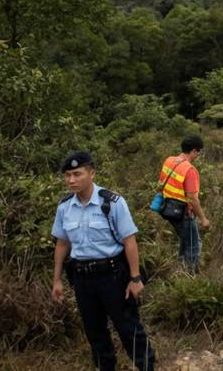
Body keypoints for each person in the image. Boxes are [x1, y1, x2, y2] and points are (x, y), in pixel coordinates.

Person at [51, 151, 155, 371]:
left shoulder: (112, 202)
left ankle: (146, 366)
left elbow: (130, 242)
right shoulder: (64, 207)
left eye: (77, 174)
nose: (71, 180)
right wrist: (57, 280)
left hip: (113, 276)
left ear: (92, 173)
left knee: (128, 328)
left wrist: (135, 278)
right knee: (94, 331)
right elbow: (62, 244)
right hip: (82, 279)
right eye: (68, 175)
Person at [157, 135, 211, 272]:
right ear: (193, 151)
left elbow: (160, 183)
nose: (198, 154)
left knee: (184, 238)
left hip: (167, 209)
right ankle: (191, 274)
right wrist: (203, 219)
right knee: (194, 244)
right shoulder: (190, 170)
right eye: (199, 151)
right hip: (183, 213)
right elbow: (192, 198)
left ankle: (180, 266)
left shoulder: (169, 160)